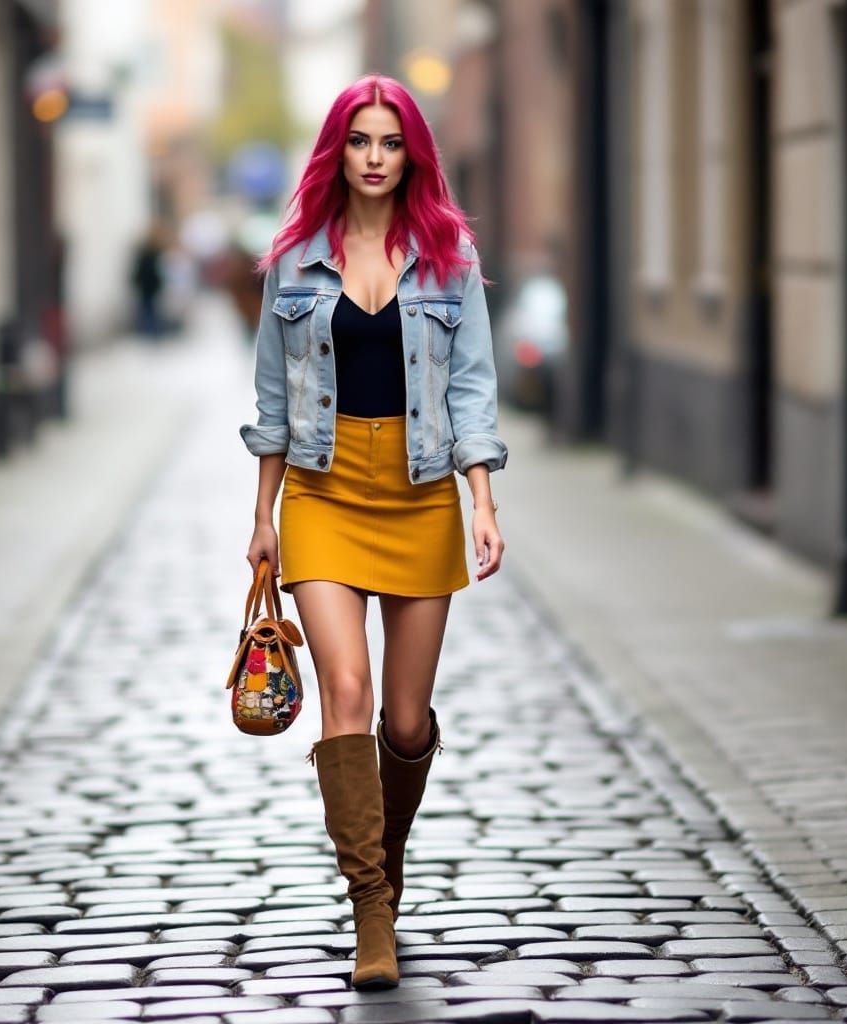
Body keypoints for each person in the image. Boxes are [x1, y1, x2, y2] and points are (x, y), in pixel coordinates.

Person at [239, 74, 507, 990]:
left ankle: (383, 868)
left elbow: (471, 385)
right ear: (337, 152)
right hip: (321, 488)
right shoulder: (292, 259)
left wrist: (481, 498)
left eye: (392, 142)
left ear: (412, 154)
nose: (376, 158)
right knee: (343, 692)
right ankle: (370, 911)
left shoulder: (450, 258)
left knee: (403, 719)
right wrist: (263, 515)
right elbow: (273, 399)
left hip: (420, 486)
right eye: (361, 141)